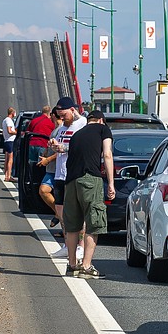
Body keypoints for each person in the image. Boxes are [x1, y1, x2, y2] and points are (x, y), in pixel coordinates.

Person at [62, 107, 114, 279]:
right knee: (94, 222)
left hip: (70, 182)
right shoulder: (103, 129)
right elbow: (107, 154)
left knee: (72, 225)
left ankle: (72, 266)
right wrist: (111, 183)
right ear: (100, 120)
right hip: (90, 179)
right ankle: (86, 266)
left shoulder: (77, 134)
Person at [49, 97, 85, 260]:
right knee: (61, 212)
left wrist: (63, 147)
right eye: (60, 115)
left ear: (72, 110)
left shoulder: (81, 123)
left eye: (64, 115)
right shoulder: (63, 127)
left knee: (77, 213)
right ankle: (67, 245)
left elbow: (80, 146)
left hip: (72, 174)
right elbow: (58, 140)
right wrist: (54, 143)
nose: (62, 118)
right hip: (59, 174)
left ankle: (80, 247)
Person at [1, 107, 18, 181]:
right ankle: (8, 176)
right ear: (12, 113)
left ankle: (6, 175)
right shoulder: (9, 121)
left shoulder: (5, 120)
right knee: (10, 159)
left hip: (6, 141)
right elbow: (9, 131)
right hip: (10, 141)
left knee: (7, 159)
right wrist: (16, 133)